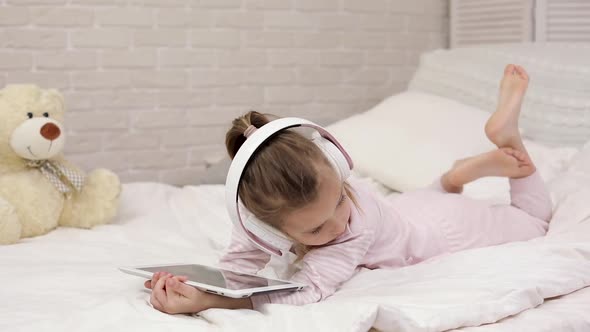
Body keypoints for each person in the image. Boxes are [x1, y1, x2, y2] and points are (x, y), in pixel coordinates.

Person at [143, 64, 552, 315]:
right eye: (317, 230)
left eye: (341, 198)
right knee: (431, 198)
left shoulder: (350, 232)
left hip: (438, 230)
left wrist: (216, 303)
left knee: (534, 222)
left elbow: (309, 291)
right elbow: (237, 270)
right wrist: (194, 286)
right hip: (412, 209)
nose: (339, 224)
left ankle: (509, 142)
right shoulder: (268, 215)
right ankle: (456, 177)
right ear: (266, 229)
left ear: (340, 167)